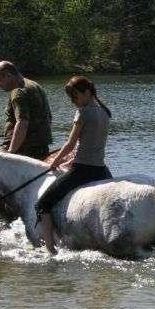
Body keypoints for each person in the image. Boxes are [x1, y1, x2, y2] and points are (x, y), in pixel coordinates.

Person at [35, 76, 113, 254]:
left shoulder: (83, 113)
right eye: (71, 98)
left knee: (42, 205)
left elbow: (70, 144)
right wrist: (71, 160)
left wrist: (56, 161)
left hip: (83, 170)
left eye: (75, 96)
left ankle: (50, 250)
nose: (74, 102)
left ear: (87, 92)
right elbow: (92, 144)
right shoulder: (104, 112)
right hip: (101, 169)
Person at [0, 61, 53, 159]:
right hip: (42, 146)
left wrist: (11, 151)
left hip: (25, 150)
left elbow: (22, 123)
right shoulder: (34, 85)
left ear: (8, 75)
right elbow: (48, 117)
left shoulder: (18, 92)